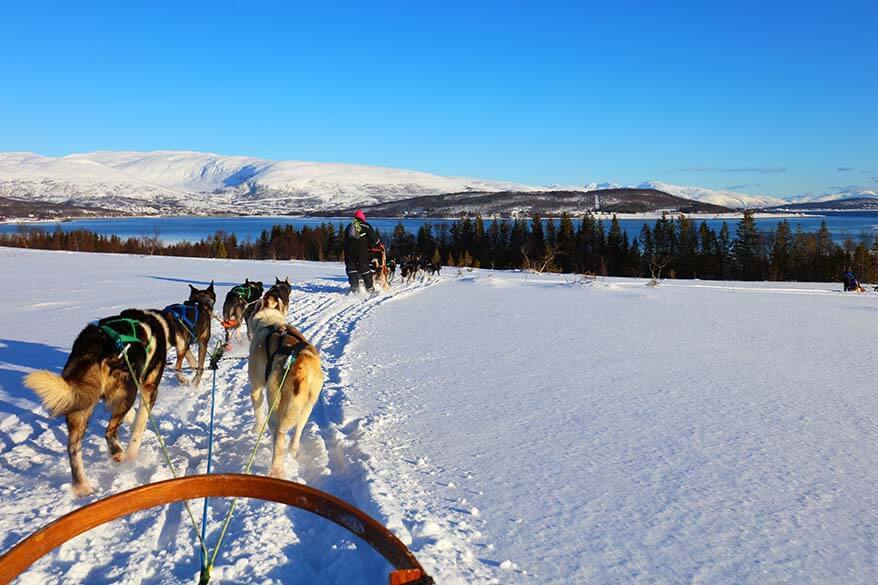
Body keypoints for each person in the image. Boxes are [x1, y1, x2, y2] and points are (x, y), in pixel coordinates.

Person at [344, 210, 383, 293]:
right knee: (364, 267)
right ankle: (369, 288)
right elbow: (374, 240)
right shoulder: (366, 226)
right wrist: (378, 243)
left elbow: (345, 239)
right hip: (361, 250)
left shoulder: (349, 226)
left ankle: (354, 287)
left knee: (351, 268)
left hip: (349, 250)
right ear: (362, 218)